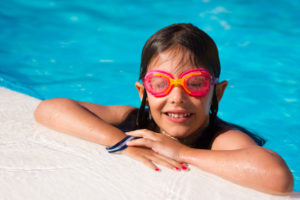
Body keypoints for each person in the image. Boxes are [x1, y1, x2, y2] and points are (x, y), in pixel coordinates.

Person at [34, 23, 294, 194]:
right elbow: (50, 109)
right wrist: (121, 142)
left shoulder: (221, 137)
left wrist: (182, 153)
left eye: (195, 83)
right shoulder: (134, 120)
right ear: (143, 92)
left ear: (218, 92)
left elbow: (277, 177)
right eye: (160, 84)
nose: (177, 97)